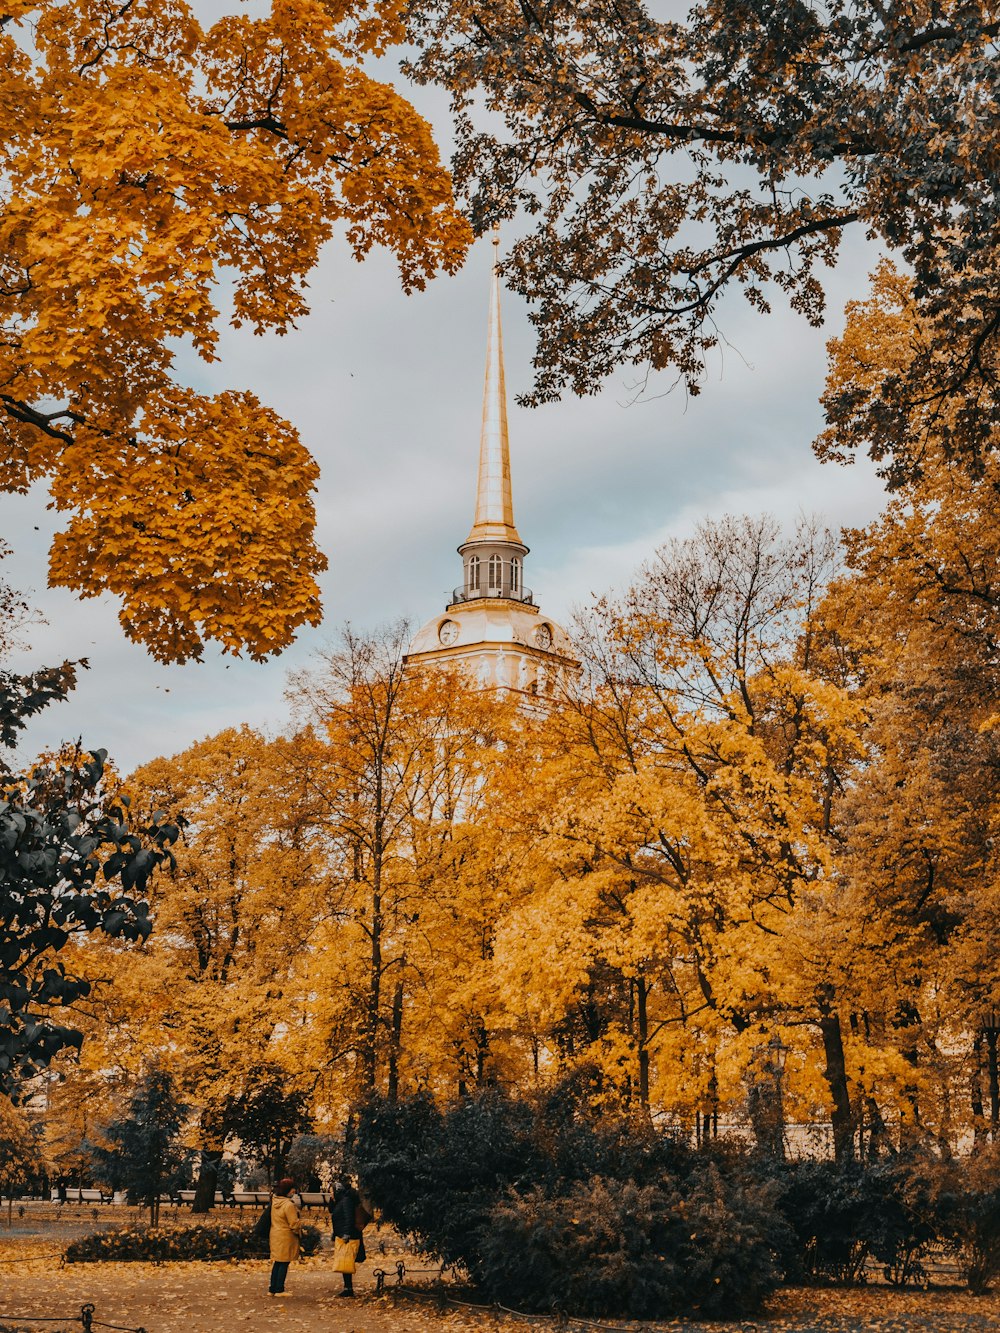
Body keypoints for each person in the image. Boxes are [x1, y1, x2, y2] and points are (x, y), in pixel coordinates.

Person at [329, 1179, 368, 1297]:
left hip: (348, 1236)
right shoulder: (340, 1200)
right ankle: (347, 1287)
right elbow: (333, 1211)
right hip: (343, 1234)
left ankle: (348, 1288)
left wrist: (346, 1233)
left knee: (346, 1262)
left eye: (331, 1191)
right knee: (344, 1262)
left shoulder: (346, 1201)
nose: (330, 1193)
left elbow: (349, 1218)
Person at [268, 1177, 302, 1298]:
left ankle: (272, 1288)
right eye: (293, 1190)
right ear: (288, 1190)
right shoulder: (288, 1205)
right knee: (284, 1263)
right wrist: (299, 1228)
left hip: (275, 1234)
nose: (294, 1192)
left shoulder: (275, 1201)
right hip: (286, 1236)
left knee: (277, 1262)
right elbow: (293, 1224)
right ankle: (279, 1289)